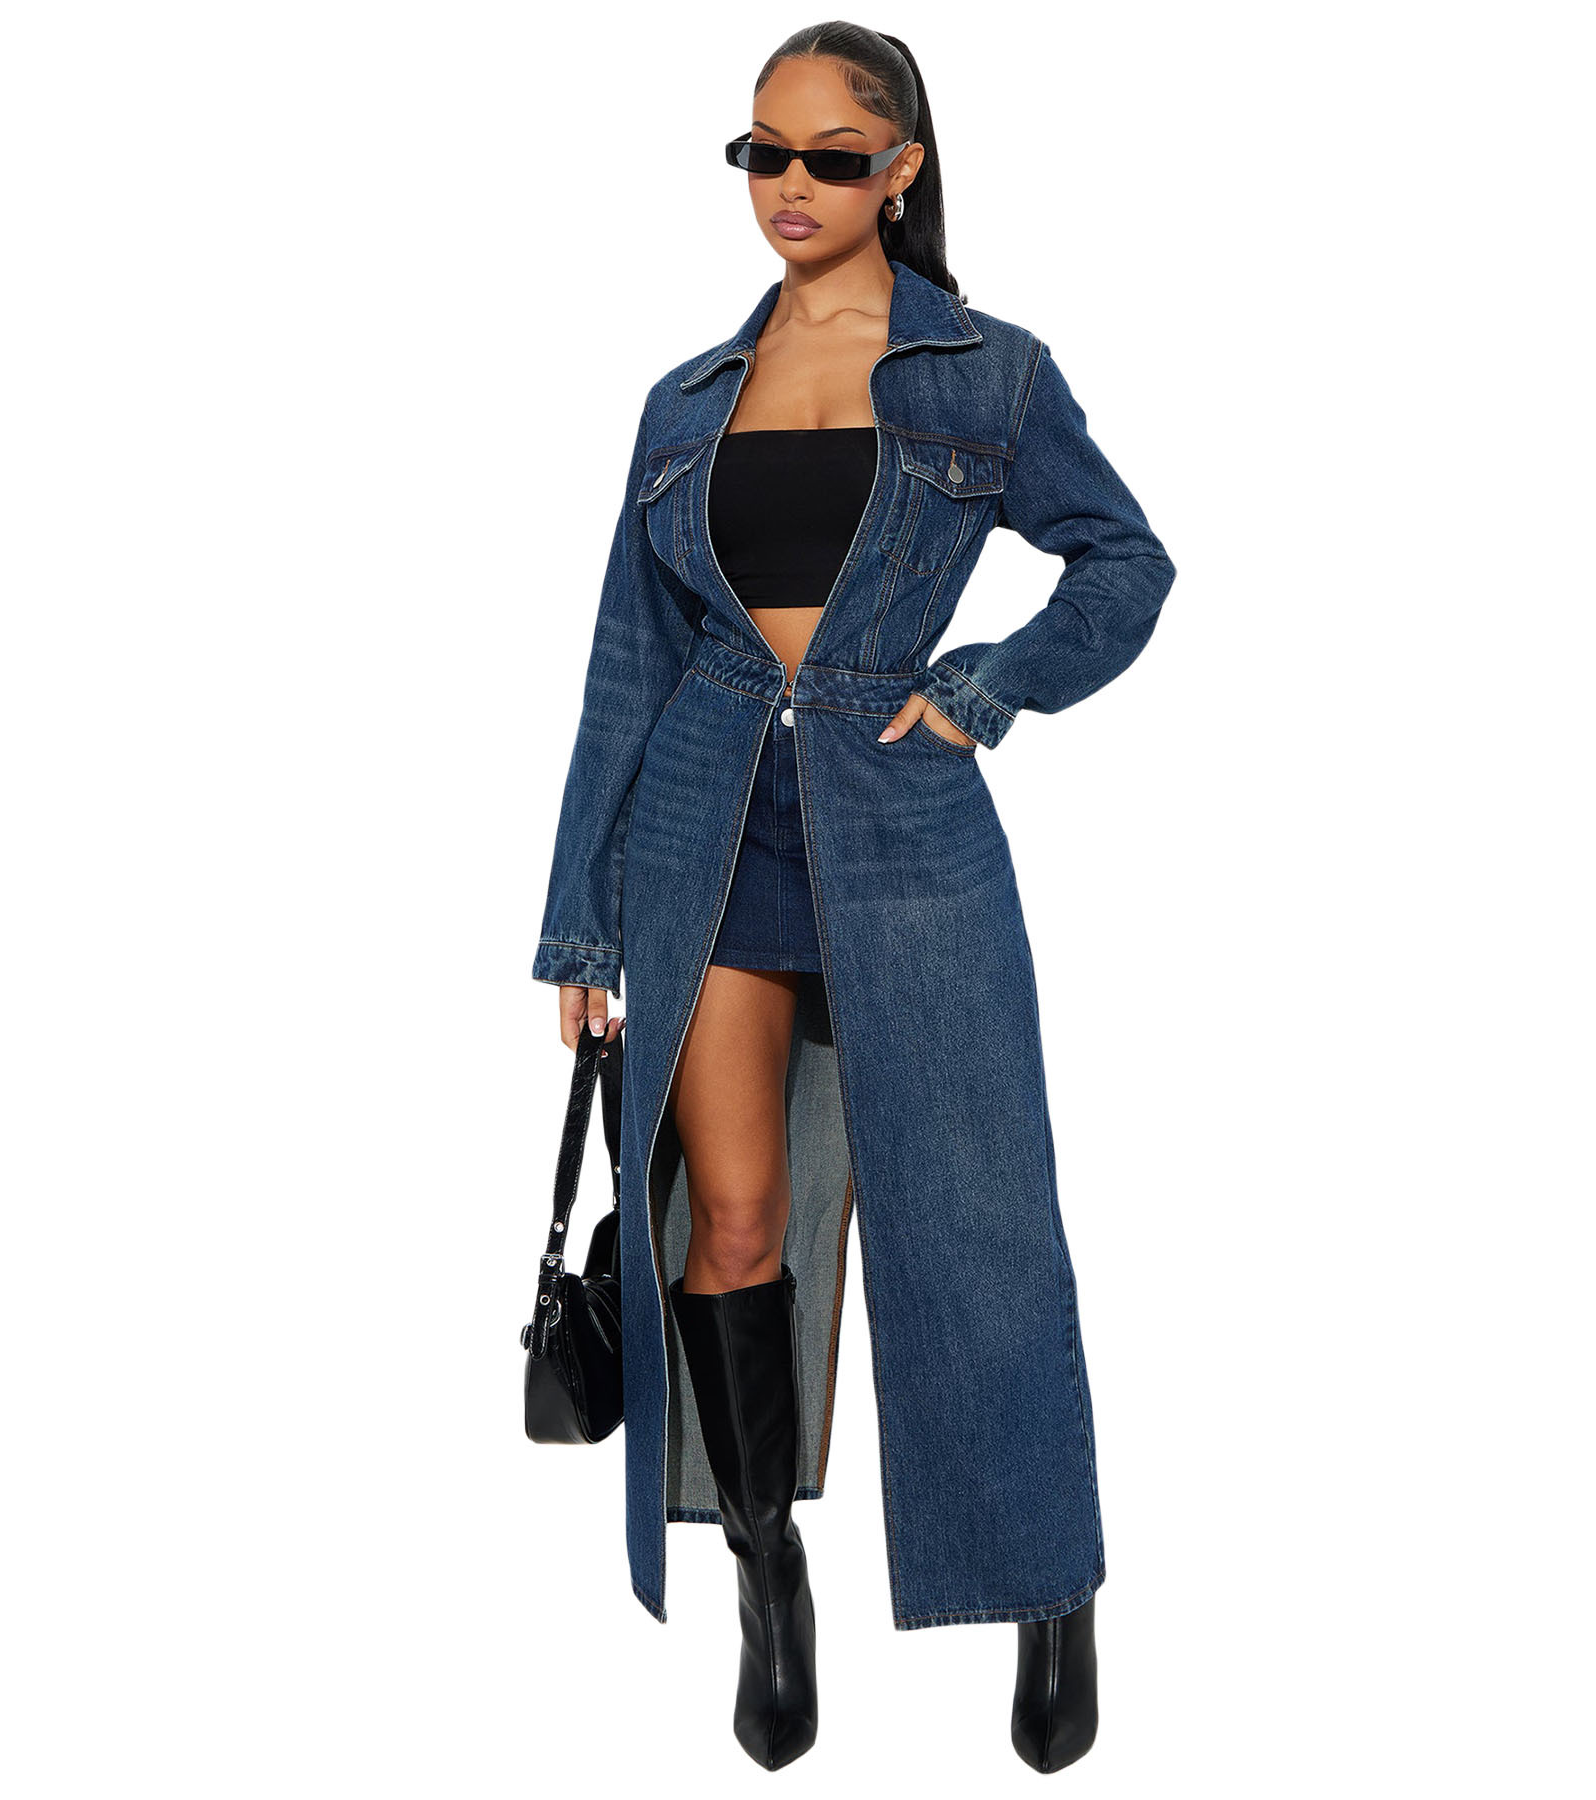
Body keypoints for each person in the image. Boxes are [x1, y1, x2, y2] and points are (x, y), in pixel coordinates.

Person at [534, 22, 1176, 1773]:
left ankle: (1049, 1590)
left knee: (975, 1227)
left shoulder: (990, 375)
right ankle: (766, 1576)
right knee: (733, 1223)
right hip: (704, 824)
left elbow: (1126, 562)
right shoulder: (685, 400)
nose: (790, 186)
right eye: (763, 152)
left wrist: (988, 686)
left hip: (903, 823)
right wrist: (579, 920)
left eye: (829, 156)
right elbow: (626, 662)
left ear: (902, 169)